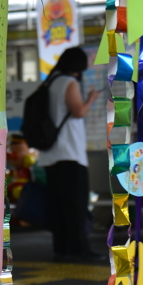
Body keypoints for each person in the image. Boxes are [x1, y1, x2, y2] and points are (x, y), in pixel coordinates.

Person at [32, 47, 101, 261]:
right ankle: (80, 249)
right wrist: (91, 99)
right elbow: (78, 111)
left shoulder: (51, 82)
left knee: (59, 206)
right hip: (69, 153)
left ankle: (62, 249)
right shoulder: (68, 83)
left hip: (51, 155)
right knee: (76, 205)